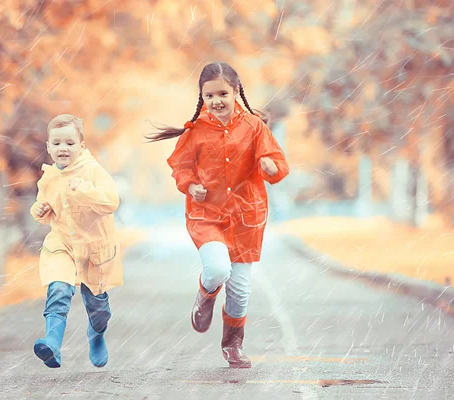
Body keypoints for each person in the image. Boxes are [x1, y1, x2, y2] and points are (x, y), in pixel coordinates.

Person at [145, 62, 289, 368]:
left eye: (223, 93)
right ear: (202, 97)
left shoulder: (254, 127)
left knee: (240, 290)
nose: (216, 101)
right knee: (217, 270)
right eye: (209, 95)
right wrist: (190, 184)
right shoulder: (196, 131)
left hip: (246, 216)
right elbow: (181, 166)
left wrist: (271, 169)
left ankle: (232, 345)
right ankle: (205, 296)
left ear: (236, 91)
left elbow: (276, 160)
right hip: (207, 215)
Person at [31, 114, 123, 368]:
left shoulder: (92, 170)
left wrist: (82, 189)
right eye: (57, 143)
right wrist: (39, 210)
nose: (63, 148)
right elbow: (48, 209)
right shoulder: (48, 178)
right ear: (49, 147)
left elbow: (111, 202)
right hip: (62, 244)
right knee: (59, 290)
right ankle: (52, 343)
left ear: (81, 146)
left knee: (98, 306)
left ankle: (96, 333)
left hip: (94, 249)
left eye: (70, 143)